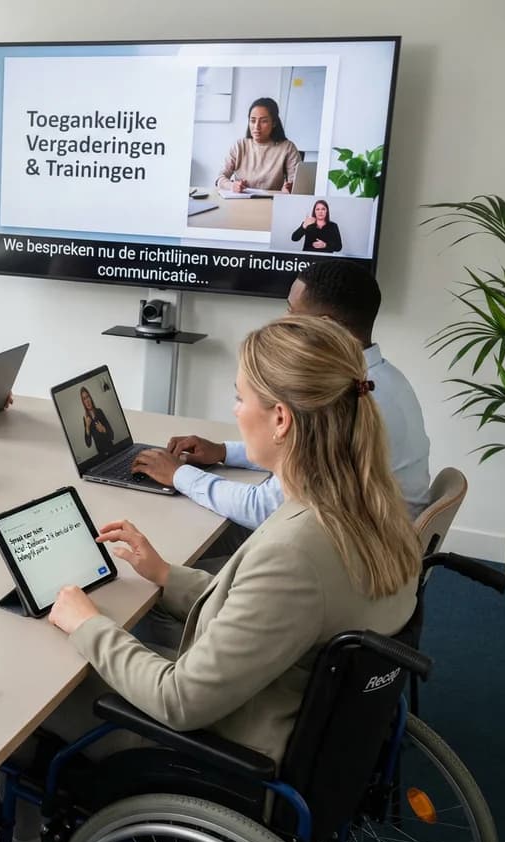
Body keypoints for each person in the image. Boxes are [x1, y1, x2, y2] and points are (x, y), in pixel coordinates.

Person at [47, 315, 421, 764]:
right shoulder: (371, 507)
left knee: (44, 686)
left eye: (240, 398)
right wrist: (166, 575)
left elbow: (177, 701)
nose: (235, 411)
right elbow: (267, 612)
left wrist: (86, 623)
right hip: (289, 713)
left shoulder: (296, 551)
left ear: (280, 418)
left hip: (226, 750)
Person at [131, 259, 431, 530]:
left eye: (292, 312)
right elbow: (308, 458)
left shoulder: (339, 401)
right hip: (380, 545)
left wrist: (179, 475)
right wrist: (223, 452)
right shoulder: (383, 381)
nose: (284, 321)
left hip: (352, 563)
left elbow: (263, 508)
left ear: (325, 326)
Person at [215, 97, 302, 194]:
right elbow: (220, 178)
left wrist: (288, 189)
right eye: (252, 121)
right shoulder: (240, 146)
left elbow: (296, 184)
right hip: (242, 202)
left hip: (271, 202)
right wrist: (232, 186)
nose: (256, 126)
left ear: (274, 123)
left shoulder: (287, 147)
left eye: (263, 121)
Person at [80, 386, 112, 460]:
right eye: (84, 399)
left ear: (90, 398)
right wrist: (87, 426)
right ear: (83, 402)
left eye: (87, 397)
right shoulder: (85, 419)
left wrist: (104, 429)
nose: (87, 401)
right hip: (101, 456)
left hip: (112, 450)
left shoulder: (99, 411)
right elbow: (88, 444)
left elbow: (112, 435)